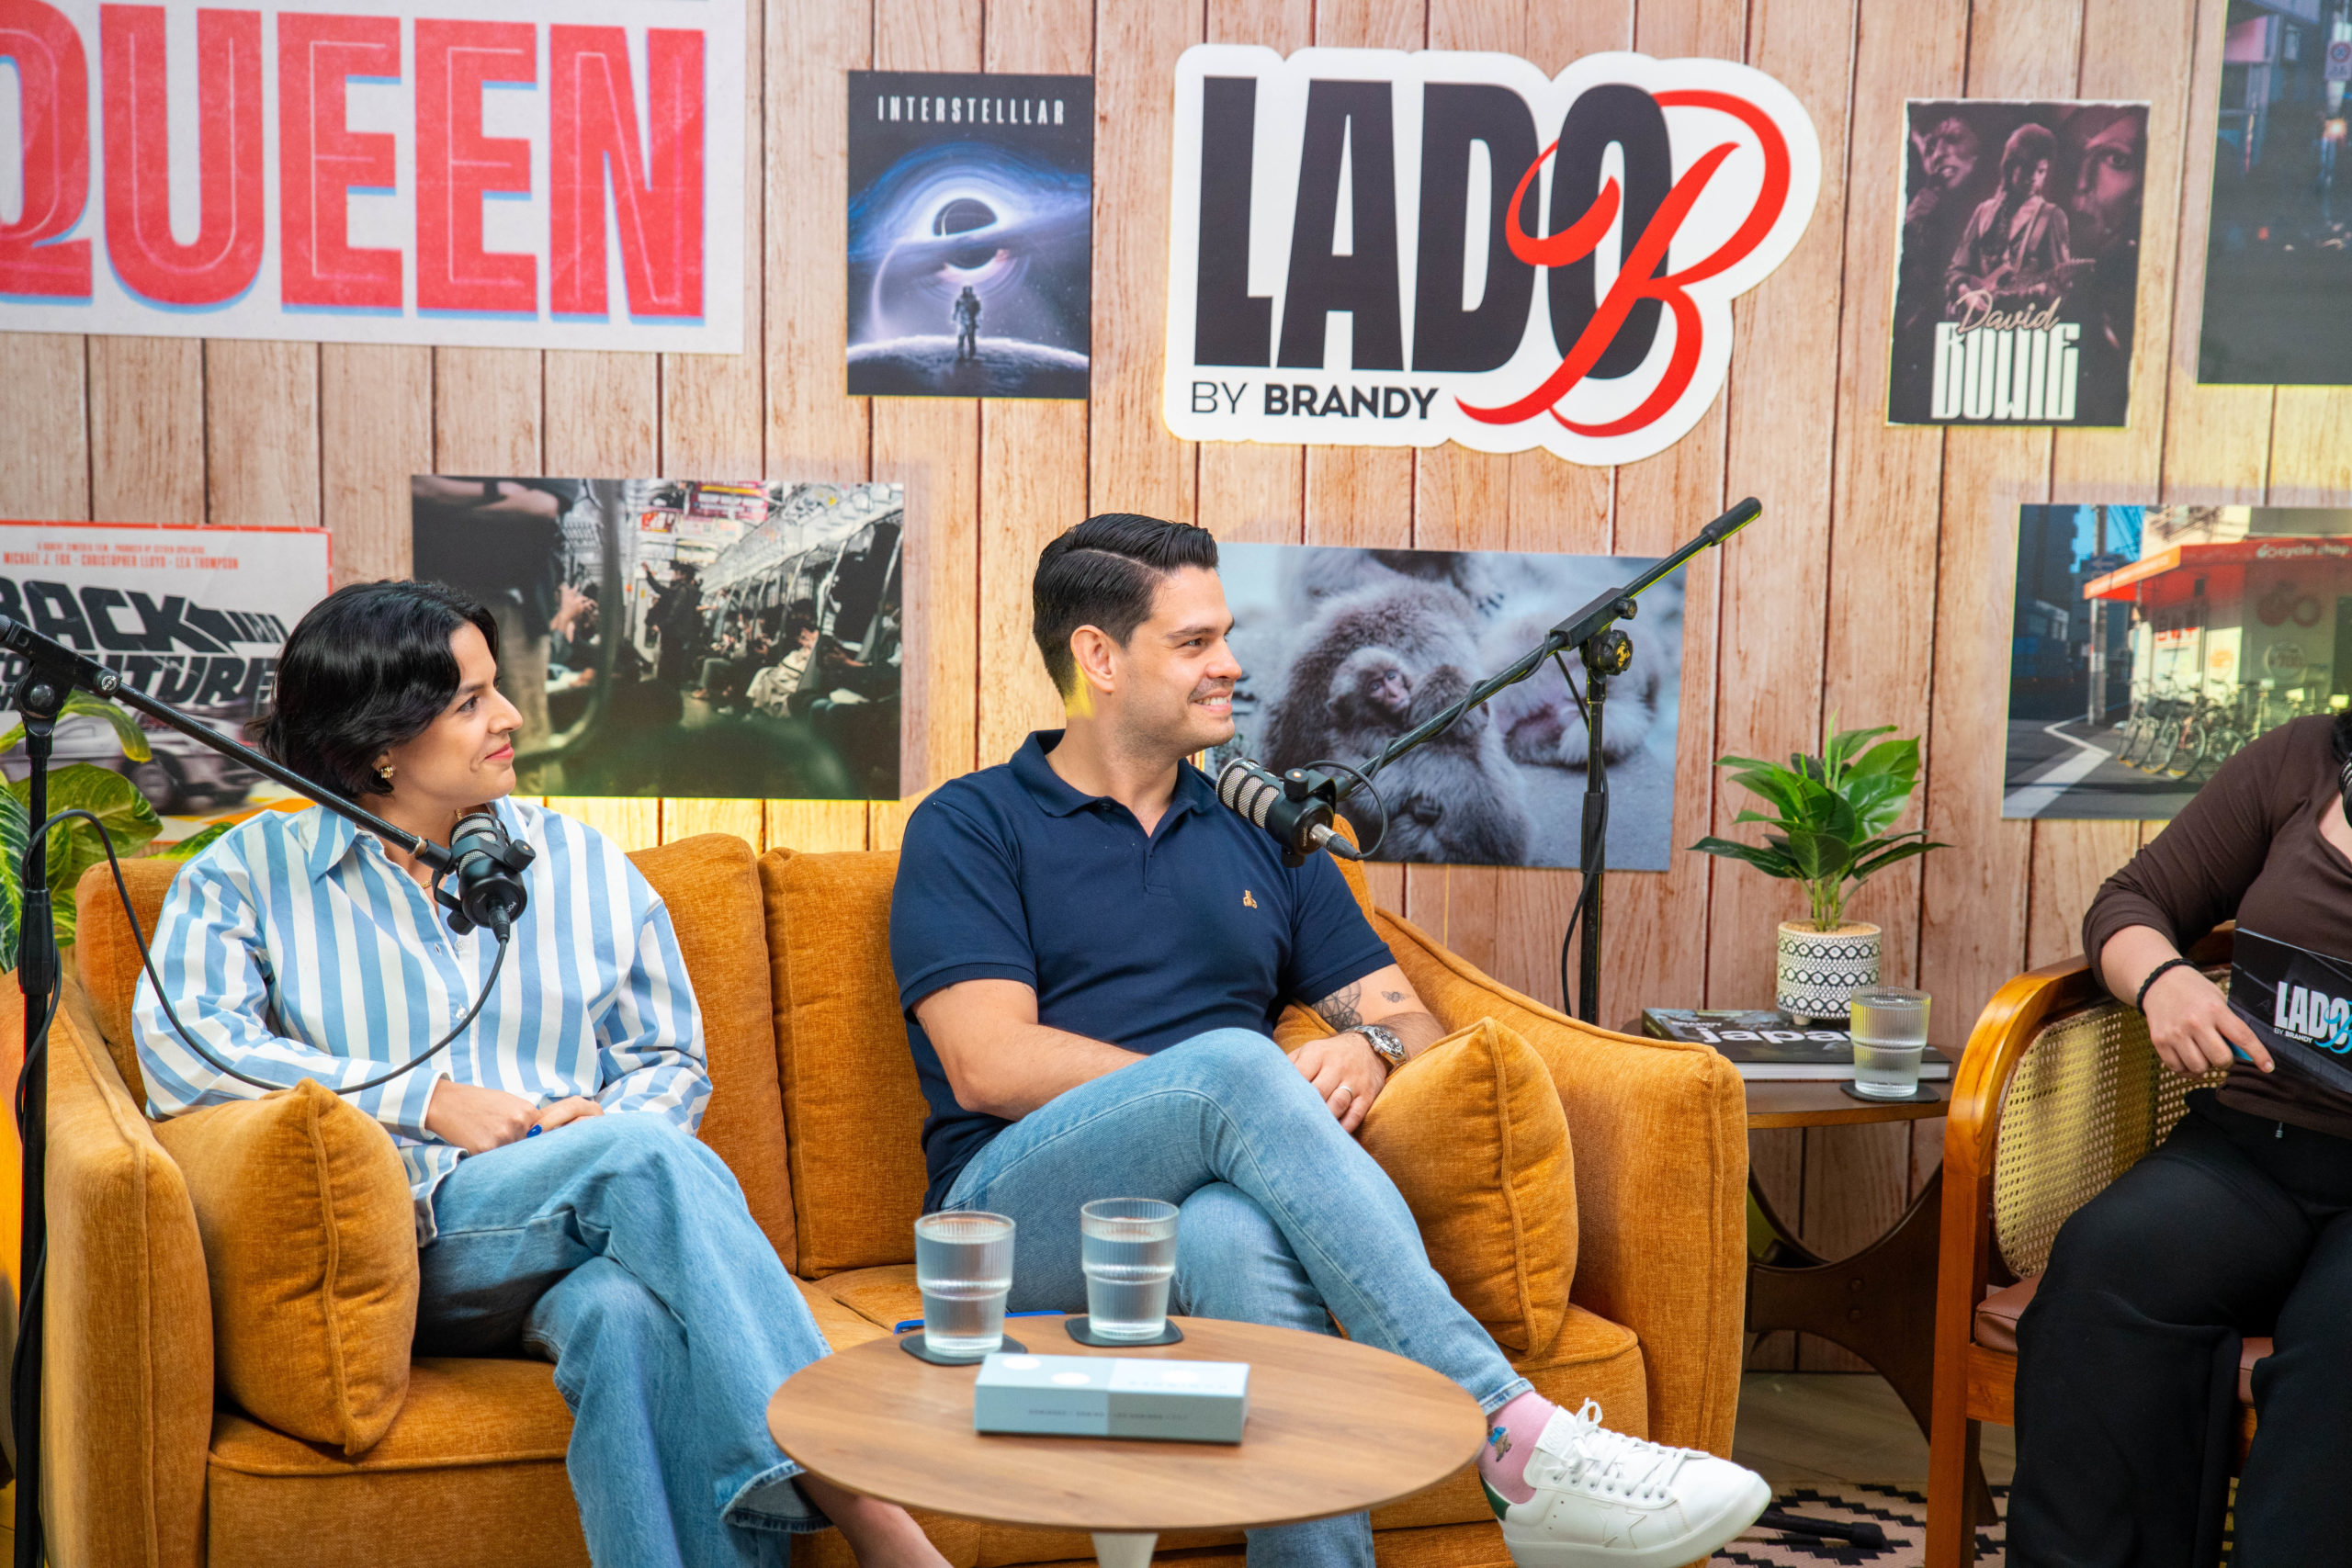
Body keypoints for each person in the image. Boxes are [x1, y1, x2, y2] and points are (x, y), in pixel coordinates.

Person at [888, 514, 1770, 1568]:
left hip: (1202, 1208)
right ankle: (1512, 1437)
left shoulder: (1265, 831)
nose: (1231, 664)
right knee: (1235, 1065)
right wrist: (1232, 1098)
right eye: (1194, 642)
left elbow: (1409, 1020)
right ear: (1099, 659)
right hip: (1011, 1218)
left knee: (1229, 1233)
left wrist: (1372, 1051)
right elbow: (988, 1062)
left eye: (1225, 635)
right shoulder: (972, 823)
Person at [132, 581, 950, 1568]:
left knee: (625, 1315)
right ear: (378, 743)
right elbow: (186, 1050)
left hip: (590, 1216)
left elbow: (665, 1060)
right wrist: (428, 1101)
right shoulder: (246, 872)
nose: (512, 716)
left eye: (497, 688)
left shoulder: (582, 862)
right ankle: (872, 1508)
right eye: (470, 701)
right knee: (636, 1161)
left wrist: (597, 1126)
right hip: (409, 1243)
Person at [2008, 714, 2352, 1567]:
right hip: (2254, 1148)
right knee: (2105, 1262)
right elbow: (2131, 901)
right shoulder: (2303, 759)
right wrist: (2163, 979)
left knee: (2339, 1349)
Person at [1946, 122, 2074, 317]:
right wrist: (1966, 294)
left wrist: (2037, 292)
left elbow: (2060, 285)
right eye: (2027, 169)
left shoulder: (2051, 216)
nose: (2034, 178)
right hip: (1979, 321)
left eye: (2041, 171)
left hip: (2024, 322)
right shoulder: (1984, 212)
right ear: (2010, 166)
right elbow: (1956, 271)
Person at [952, 285, 981, 360]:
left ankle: (972, 354)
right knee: (961, 338)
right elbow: (956, 309)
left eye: (969, 289)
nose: (967, 291)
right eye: (966, 289)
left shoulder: (975, 299)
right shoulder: (960, 299)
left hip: (971, 321)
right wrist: (954, 317)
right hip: (962, 322)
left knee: (971, 339)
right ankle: (960, 353)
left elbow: (979, 311)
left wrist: (978, 320)